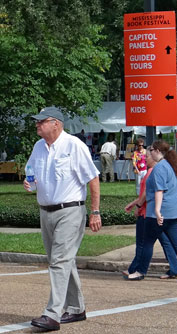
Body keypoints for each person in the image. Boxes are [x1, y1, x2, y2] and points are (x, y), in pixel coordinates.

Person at [24, 114, 102, 331]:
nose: (37, 124)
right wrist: (30, 182)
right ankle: (76, 308)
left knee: (59, 261)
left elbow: (93, 178)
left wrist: (95, 212)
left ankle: (52, 314)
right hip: (46, 212)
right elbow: (32, 173)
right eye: (37, 121)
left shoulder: (73, 145)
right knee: (62, 260)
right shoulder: (38, 147)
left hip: (70, 211)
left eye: (42, 121)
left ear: (55, 124)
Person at [123, 149, 177, 280]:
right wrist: (134, 203)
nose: (145, 159)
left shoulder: (152, 172)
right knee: (165, 241)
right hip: (154, 211)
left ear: (154, 156)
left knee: (144, 243)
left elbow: (146, 193)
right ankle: (174, 268)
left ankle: (137, 270)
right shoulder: (160, 170)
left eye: (147, 156)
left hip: (148, 213)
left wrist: (138, 206)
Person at [145, 141, 177, 283]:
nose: (150, 153)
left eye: (151, 150)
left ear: (157, 151)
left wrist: (157, 210)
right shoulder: (173, 165)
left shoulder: (160, 167)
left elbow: (160, 190)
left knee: (146, 242)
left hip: (165, 210)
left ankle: (138, 270)